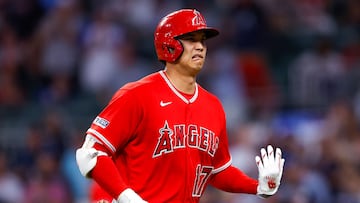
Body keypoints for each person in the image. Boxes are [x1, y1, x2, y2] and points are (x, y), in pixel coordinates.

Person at [75, 8, 285, 203]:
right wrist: (127, 197)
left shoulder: (213, 106)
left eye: (203, 41)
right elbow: (90, 154)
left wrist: (258, 187)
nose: (200, 47)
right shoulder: (137, 95)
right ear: (169, 44)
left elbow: (218, 171)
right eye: (191, 39)